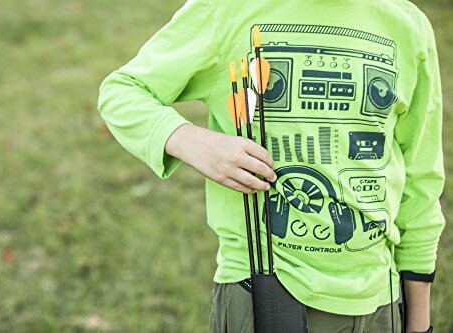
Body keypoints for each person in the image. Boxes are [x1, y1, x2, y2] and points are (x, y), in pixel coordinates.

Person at [98, 0, 444, 332]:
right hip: (264, 291)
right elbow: (123, 91)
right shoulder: (225, 9)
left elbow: (421, 182)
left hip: (381, 298)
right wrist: (192, 140)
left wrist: (419, 320)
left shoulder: (408, 25)